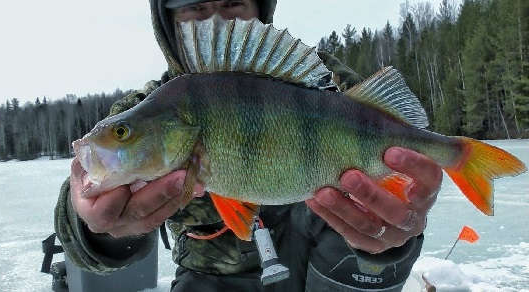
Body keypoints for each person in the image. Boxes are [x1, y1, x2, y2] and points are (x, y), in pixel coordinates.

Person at [54, 0, 442, 291]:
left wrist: (396, 238)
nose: (215, 20)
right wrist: (93, 225)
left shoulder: (327, 88)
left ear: (260, 6)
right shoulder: (150, 110)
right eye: (194, 5)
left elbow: (401, 187)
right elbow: (77, 222)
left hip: (329, 275)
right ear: (166, 19)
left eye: (231, 2)